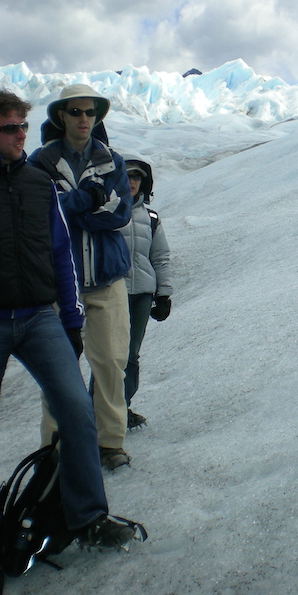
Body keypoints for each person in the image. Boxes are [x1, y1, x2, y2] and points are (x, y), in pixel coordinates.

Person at [0, 89, 139, 595]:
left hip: (40, 318)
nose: (21, 134)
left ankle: (87, 517)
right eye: (9, 127)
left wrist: (71, 318)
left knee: (77, 412)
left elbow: (61, 254)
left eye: (22, 125)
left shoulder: (39, 183)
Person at [27, 84, 133, 471]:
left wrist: (70, 210)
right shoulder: (40, 163)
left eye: (90, 112)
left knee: (110, 364)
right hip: (60, 286)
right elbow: (41, 213)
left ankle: (109, 442)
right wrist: (89, 199)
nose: (83, 118)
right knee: (58, 372)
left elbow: (120, 212)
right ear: (61, 116)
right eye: (75, 112)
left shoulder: (111, 160)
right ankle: (56, 449)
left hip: (107, 279)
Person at [119, 158, 173, 430]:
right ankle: (101, 410)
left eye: (137, 177)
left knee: (130, 355)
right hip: (112, 294)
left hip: (141, 294)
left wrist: (163, 295)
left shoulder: (150, 219)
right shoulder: (105, 212)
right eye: (127, 176)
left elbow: (160, 257)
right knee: (110, 356)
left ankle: (121, 408)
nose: (132, 182)